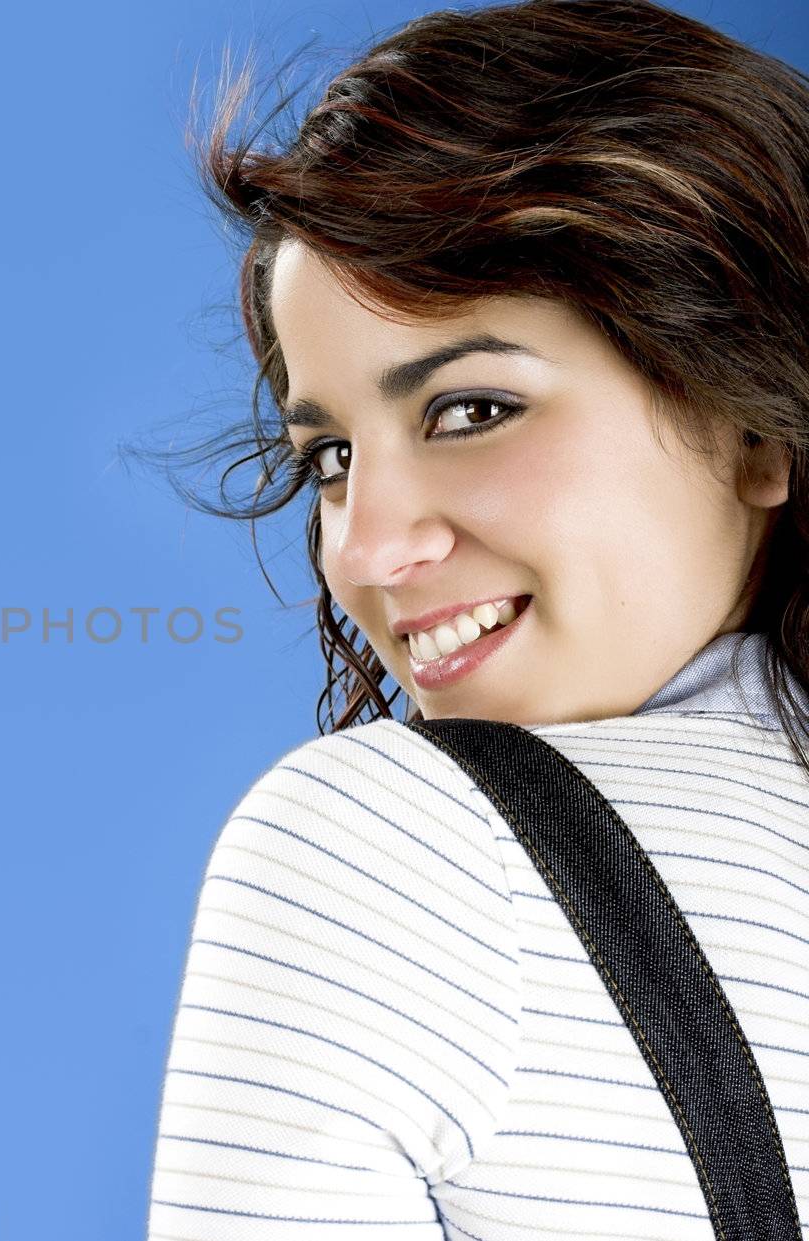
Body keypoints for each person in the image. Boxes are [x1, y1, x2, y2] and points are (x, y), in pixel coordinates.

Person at [144, 0, 809, 1236]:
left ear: (756, 420)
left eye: (470, 411)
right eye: (331, 455)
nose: (366, 547)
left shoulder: (385, 844)